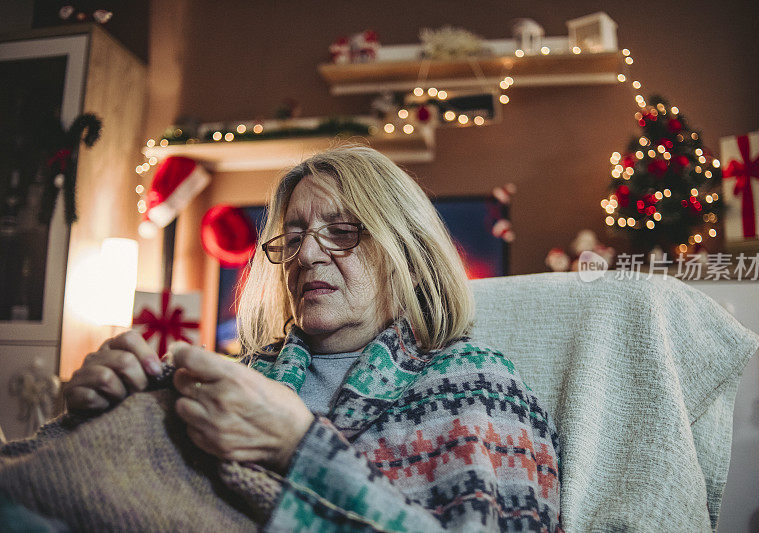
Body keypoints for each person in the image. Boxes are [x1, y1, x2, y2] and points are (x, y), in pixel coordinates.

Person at [63, 144, 562, 531]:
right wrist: (100, 412)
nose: (306, 256)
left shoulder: (475, 384)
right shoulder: (244, 375)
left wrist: (297, 448)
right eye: (294, 237)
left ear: (409, 255)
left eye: (342, 231)